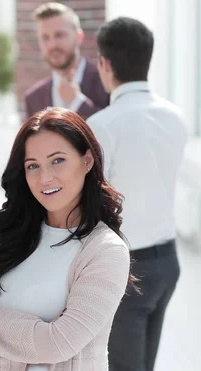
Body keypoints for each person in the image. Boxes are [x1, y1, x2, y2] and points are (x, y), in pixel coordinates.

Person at [0, 107, 132, 370]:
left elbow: (59, 343)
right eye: (33, 165)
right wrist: (35, 343)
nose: (45, 177)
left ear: (87, 161)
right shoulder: (4, 231)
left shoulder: (106, 251)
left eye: (58, 160)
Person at [87, 17, 187, 371]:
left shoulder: (103, 124)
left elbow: (92, 203)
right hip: (168, 263)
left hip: (126, 268)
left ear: (105, 64)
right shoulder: (175, 116)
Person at [24, 2, 108, 119]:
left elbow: (112, 131)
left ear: (79, 37)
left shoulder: (106, 82)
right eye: (45, 37)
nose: (53, 44)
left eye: (60, 35)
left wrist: (77, 102)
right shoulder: (33, 98)